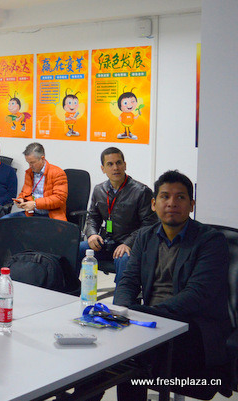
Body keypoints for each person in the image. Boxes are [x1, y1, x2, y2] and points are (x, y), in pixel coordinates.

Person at [114, 170, 230, 401]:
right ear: (154, 204)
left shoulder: (210, 240)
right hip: (150, 321)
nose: (172, 203)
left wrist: (144, 315)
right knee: (108, 349)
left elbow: (197, 295)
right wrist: (122, 311)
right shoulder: (145, 237)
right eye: (165, 196)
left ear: (192, 205)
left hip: (193, 325)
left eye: (180, 197)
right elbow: (128, 280)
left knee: (127, 357)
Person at [78, 147, 157, 282]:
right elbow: (93, 218)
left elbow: (149, 225)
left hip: (132, 245)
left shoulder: (141, 191)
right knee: (79, 248)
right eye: (110, 164)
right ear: (103, 169)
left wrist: (128, 243)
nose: (115, 168)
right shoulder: (99, 190)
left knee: (123, 257)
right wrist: (91, 234)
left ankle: (122, 294)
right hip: (107, 242)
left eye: (118, 163)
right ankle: (71, 289)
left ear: (125, 165)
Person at [14, 142, 68, 220]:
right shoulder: (29, 173)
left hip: (51, 215)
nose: (30, 166)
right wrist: (21, 199)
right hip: (31, 213)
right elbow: (25, 193)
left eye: (32, 162)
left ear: (42, 159)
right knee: (5, 221)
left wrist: (35, 204)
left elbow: (59, 199)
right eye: (28, 163)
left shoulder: (57, 173)